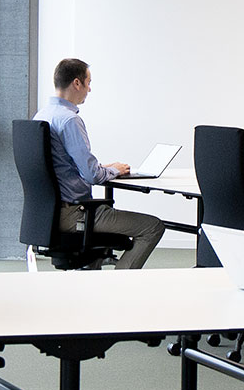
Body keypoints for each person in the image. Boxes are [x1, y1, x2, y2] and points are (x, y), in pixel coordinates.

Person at [31, 58, 167, 270]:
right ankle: (116, 286)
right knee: (152, 227)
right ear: (77, 83)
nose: (90, 89)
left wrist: (105, 169)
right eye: (88, 82)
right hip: (76, 212)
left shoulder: (42, 116)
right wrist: (114, 170)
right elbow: (92, 176)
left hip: (49, 213)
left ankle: (92, 281)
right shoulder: (69, 120)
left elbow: (65, 166)